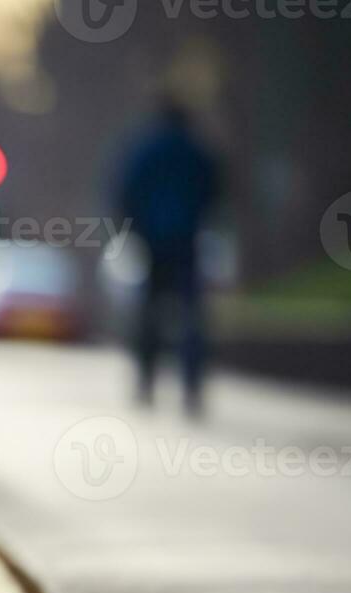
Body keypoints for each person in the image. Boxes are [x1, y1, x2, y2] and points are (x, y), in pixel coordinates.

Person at [115, 98, 221, 414]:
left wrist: (132, 228)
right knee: (191, 315)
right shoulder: (196, 150)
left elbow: (124, 190)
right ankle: (191, 387)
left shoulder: (144, 150)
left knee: (149, 312)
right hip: (187, 240)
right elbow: (215, 190)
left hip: (152, 241)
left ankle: (146, 382)